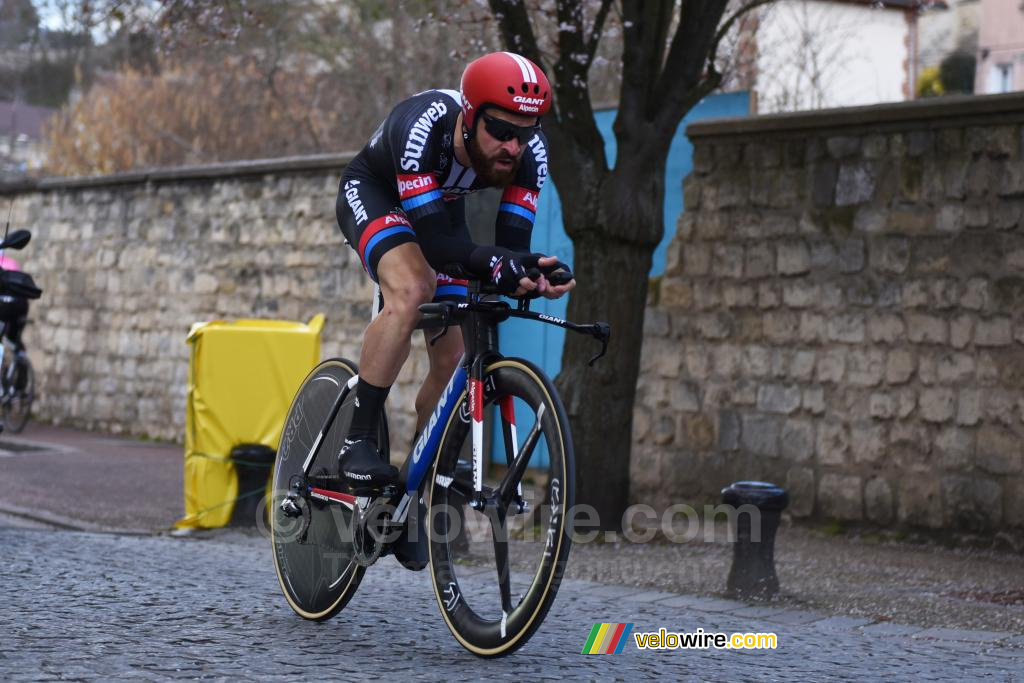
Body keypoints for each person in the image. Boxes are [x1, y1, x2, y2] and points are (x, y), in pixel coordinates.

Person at [335, 51, 574, 494]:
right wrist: (497, 263)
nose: (513, 147)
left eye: (524, 134)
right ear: (469, 116)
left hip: (439, 206)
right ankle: (357, 440)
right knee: (413, 289)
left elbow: (510, 247)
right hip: (377, 192)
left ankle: (416, 481)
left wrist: (531, 272)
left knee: (455, 355)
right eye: (501, 131)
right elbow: (440, 248)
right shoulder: (424, 128)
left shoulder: (529, 153)